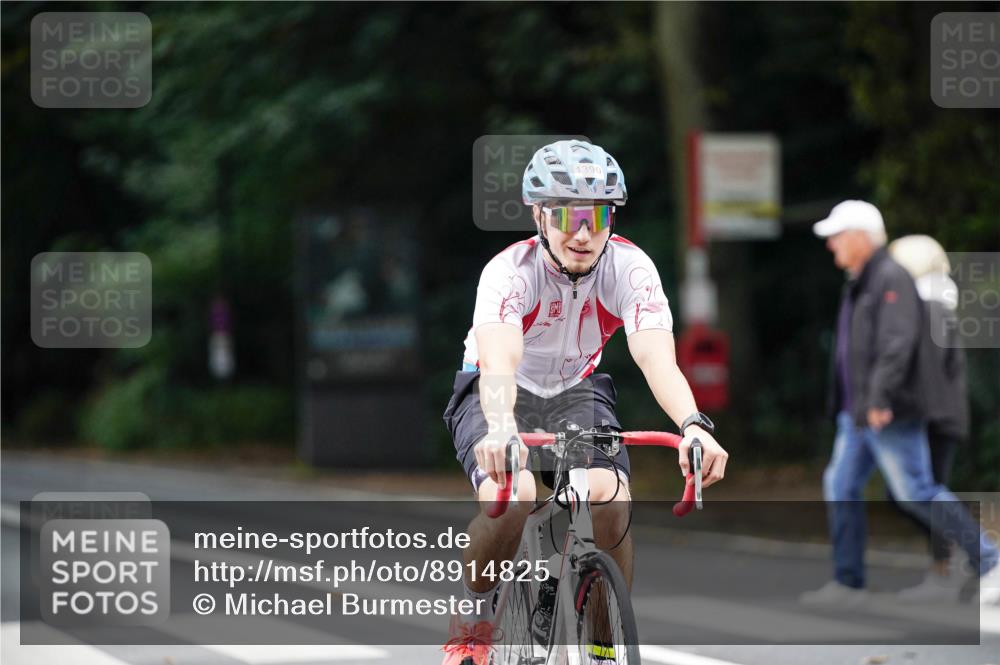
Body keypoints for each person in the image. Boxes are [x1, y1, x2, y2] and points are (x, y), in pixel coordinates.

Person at [440, 139, 729, 665]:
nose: (583, 232)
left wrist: (692, 423)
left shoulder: (630, 269)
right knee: (515, 495)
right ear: (539, 216)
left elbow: (656, 358)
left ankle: (602, 644)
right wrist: (502, 428)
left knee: (610, 498)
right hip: (497, 390)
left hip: (577, 389)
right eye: (567, 217)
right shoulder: (509, 273)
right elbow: (500, 360)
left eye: (596, 216)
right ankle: (473, 623)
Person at [800, 200, 999, 608]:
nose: (831, 244)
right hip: (858, 414)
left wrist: (879, 397)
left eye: (837, 236)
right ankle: (849, 583)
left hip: (884, 411)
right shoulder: (863, 279)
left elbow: (897, 343)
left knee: (917, 489)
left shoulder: (890, 277)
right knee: (841, 486)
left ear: (861, 236)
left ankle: (991, 562)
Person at [888, 235, 969, 602]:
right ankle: (950, 567)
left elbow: (932, 370)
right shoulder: (930, 300)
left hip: (933, 416)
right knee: (918, 493)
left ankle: (953, 567)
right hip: (935, 414)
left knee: (924, 492)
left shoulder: (931, 302)